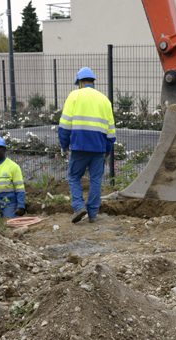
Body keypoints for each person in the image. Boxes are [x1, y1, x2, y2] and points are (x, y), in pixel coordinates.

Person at [58, 67, 115, 223]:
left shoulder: (74, 96)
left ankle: (78, 206)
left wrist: (64, 145)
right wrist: (107, 150)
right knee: (96, 179)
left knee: (74, 176)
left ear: (79, 83)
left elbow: (64, 125)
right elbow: (111, 131)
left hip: (79, 146)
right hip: (99, 147)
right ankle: (93, 213)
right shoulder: (104, 100)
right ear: (93, 82)